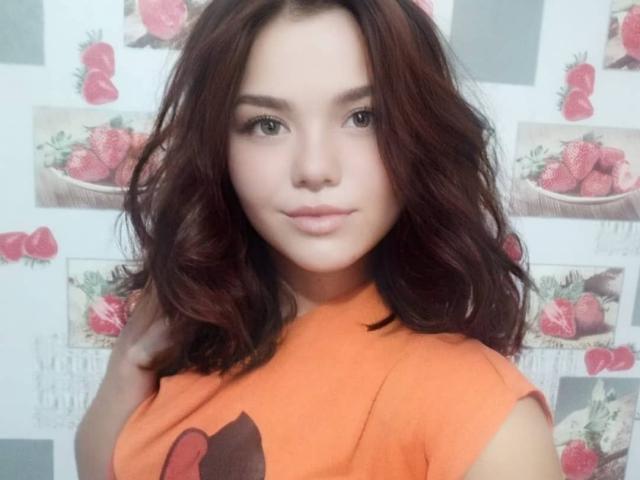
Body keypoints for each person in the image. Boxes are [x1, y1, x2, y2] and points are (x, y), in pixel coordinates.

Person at [75, 1, 563, 479]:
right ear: (218, 145)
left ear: (421, 131)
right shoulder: (191, 321)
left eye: (363, 117)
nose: (314, 168)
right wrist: (127, 368)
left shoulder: (487, 422)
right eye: (267, 125)